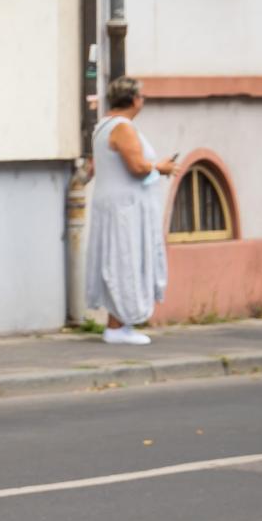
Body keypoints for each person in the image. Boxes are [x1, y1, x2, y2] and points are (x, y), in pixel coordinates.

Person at [85, 76, 178, 345]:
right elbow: (136, 167)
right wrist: (161, 167)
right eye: (142, 97)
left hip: (113, 204)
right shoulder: (123, 128)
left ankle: (120, 323)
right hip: (125, 208)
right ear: (135, 100)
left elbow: (95, 168)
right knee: (126, 258)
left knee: (119, 259)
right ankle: (117, 326)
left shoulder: (103, 125)